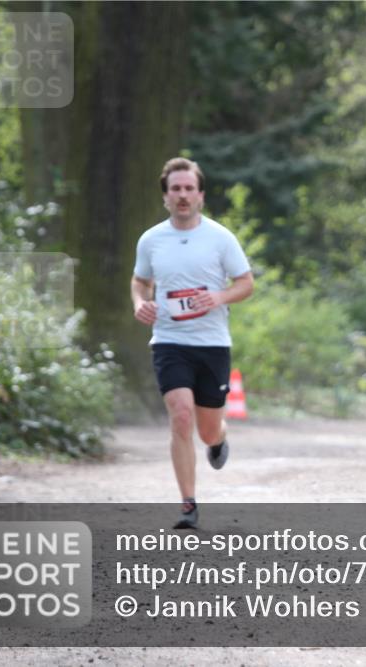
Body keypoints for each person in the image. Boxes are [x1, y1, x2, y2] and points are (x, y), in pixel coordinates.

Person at [131, 157, 253, 529]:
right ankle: (188, 503)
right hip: (169, 340)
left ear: (200, 195)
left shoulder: (220, 238)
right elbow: (140, 282)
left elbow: (246, 283)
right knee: (180, 416)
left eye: (189, 189)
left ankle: (219, 440)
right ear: (165, 197)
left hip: (213, 343)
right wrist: (140, 304)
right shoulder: (151, 240)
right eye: (175, 189)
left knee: (207, 429)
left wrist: (218, 297)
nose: (182, 196)